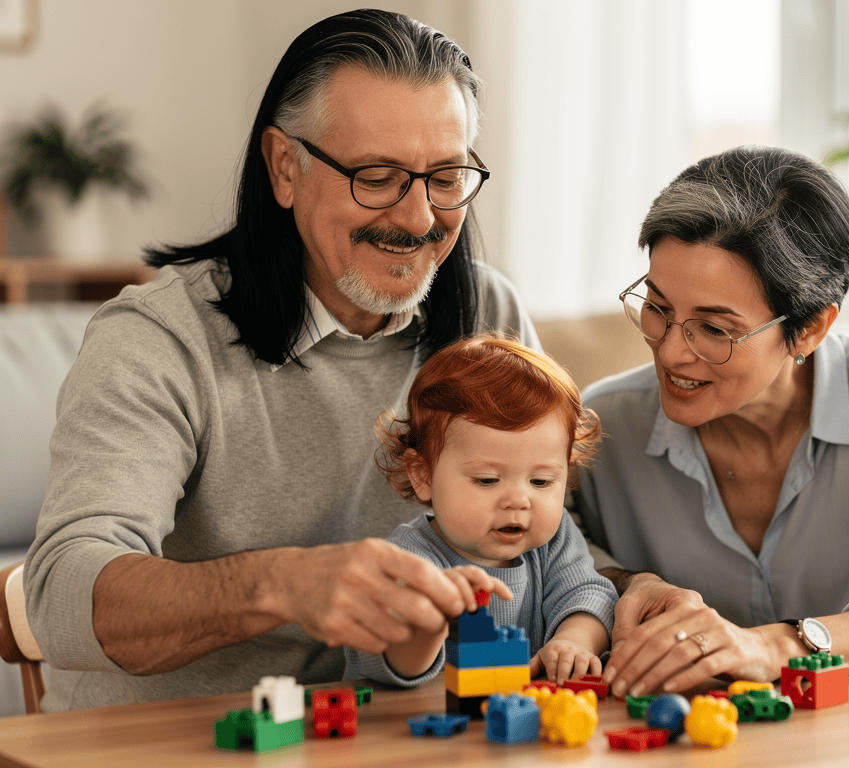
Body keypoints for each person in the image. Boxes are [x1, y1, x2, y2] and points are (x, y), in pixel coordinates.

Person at [24, 9, 540, 711]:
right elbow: (60, 596)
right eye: (378, 176)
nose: (420, 219)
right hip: (164, 744)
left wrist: (640, 594)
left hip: (391, 740)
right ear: (285, 168)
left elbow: (557, 536)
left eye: (445, 177)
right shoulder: (157, 338)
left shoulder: (489, 314)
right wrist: (280, 585)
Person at [572, 146, 849, 701]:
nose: (671, 352)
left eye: (715, 330)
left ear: (811, 329)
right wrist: (631, 582)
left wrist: (771, 647)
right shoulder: (605, 422)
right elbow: (553, 554)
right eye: (658, 308)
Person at [344, 335, 617, 686]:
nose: (518, 500)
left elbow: (590, 594)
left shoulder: (555, 538)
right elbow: (390, 657)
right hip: (427, 719)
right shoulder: (410, 560)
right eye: (487, 480)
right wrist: (431, 618)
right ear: (423, 475)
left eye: (541, 481)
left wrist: (574, 641)